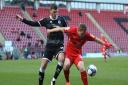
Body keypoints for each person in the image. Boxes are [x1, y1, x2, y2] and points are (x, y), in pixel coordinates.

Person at [16, 4, 67, 85]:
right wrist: (22, 19)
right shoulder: (46, 20)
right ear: (50, 11)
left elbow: (67, 30)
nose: (55, 13)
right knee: (43, 67)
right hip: (49, 46)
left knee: (61, 59)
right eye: (54, 12)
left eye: (57, 12)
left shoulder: (62, 19)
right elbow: (33, 23)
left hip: (59, 45)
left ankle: (53, 80)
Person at [47, 24, 112, 85]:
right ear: (78, 30)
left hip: (77, 54)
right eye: (82, 33)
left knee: (82, 68)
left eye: (84, 33)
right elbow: (60, 29)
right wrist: (50, 30)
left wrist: (105, 44)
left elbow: (96, 39)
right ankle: (67, 81)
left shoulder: (87, 35)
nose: (83, 35)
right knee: (66, 66)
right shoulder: (71, 30)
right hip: (69, 53)